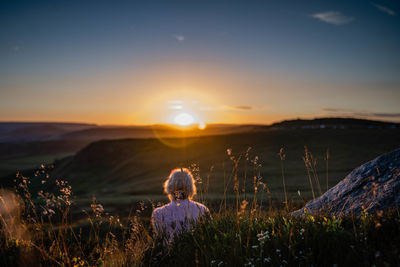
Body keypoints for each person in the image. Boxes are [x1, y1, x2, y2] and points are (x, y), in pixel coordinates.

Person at [151, 168, 210, 243]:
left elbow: (160, 239)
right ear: (191, 187)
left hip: (168, 254)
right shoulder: (202, 209)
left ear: (169, 187)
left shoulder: (158, 213)